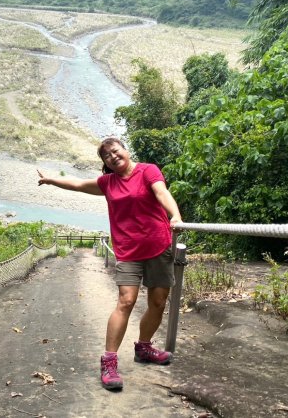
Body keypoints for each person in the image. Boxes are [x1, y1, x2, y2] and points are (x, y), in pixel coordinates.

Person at [37, 137, 183, 391]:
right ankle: (109, 361)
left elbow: (161, 191)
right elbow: (79, 184)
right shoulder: (108, 183)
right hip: (128, 251)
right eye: (107, 156)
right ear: (105, 163)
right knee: (126, 301)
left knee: (158, 302)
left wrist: (176, 216)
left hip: (159, 247)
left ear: (125, 150)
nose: (113, 157)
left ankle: (144, 348)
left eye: (115, 151)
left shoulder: (148, 170)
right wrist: (50, 180)